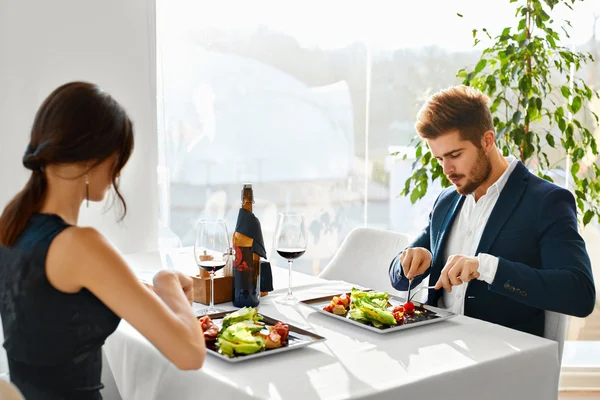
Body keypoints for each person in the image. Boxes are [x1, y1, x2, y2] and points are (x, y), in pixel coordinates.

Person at [0, 82, 205, 399]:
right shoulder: (79, 244)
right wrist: (167, 280)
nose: (117, 174)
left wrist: (156, 291)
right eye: (116, 160)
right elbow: (190, 354)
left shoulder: (13, 223)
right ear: (90, 159)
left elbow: (65, 307)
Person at [389, 85, 596, 337]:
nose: (447, 169)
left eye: (455, 154)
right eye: (440, 159)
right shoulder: (446, 201)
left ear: (487, 140)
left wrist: (486, 268)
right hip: (435, 344)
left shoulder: (547, 201)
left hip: (497, 356)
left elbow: (579, 294)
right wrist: (408, 262)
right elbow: (398, 279)